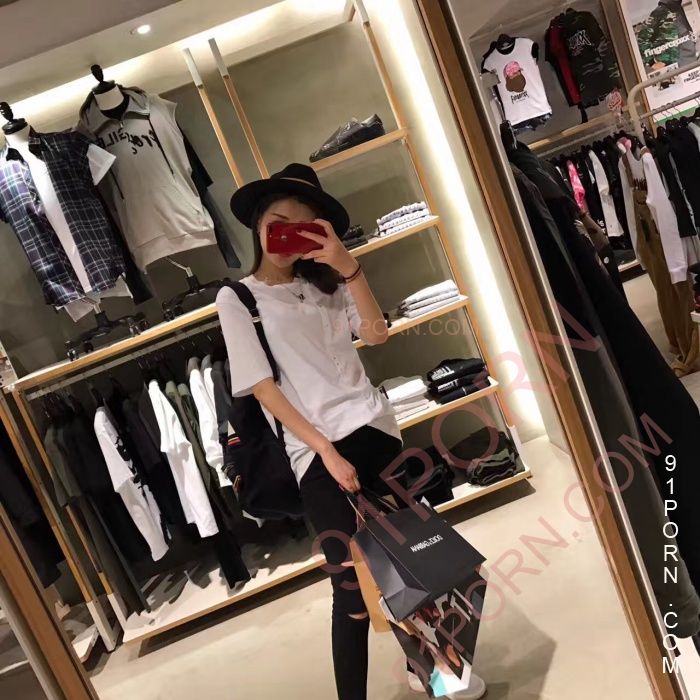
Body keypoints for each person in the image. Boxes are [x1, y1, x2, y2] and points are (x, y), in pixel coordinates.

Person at [217, 163, 486, 700]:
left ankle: (431, 667)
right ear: (257, 225)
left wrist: (350, 269)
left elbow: (377, 334)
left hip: (376, 430)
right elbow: (263, 387)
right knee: (351, 590)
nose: (285, 234)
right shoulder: (239, 298)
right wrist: (325, 451)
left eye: (302, 225)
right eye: (276, 222)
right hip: (317, 451)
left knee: (413, 558)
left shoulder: (327, 284)